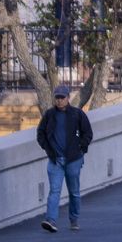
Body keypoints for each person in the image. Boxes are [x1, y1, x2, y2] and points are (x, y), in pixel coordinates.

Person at [36, 85, 93, 232]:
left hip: (73, 159)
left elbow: (88, 133)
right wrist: (48, 149)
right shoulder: (49, 115)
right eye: (57, 98)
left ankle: (74, 219)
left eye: (62, 98)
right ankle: (51, 220)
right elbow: (40, 134)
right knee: (54, 190)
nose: (60, 101)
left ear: (68, 98)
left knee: (73, 191)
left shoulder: (77, 114)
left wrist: (81, 147)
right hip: (56, 160)